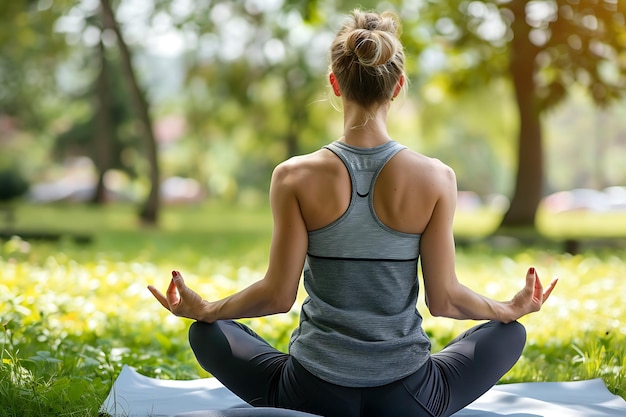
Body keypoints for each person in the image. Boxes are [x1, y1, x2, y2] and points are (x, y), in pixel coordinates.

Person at [148, 9, 558, 417]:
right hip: (409, 396)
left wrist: (205, 310)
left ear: (334, 83)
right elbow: (445, 301)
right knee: (509, 335)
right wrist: (507, 308)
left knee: (209, 333)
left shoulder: (293, 176)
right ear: (397, 87)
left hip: (311, 393)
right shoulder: (437, 178)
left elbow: (277, 295)